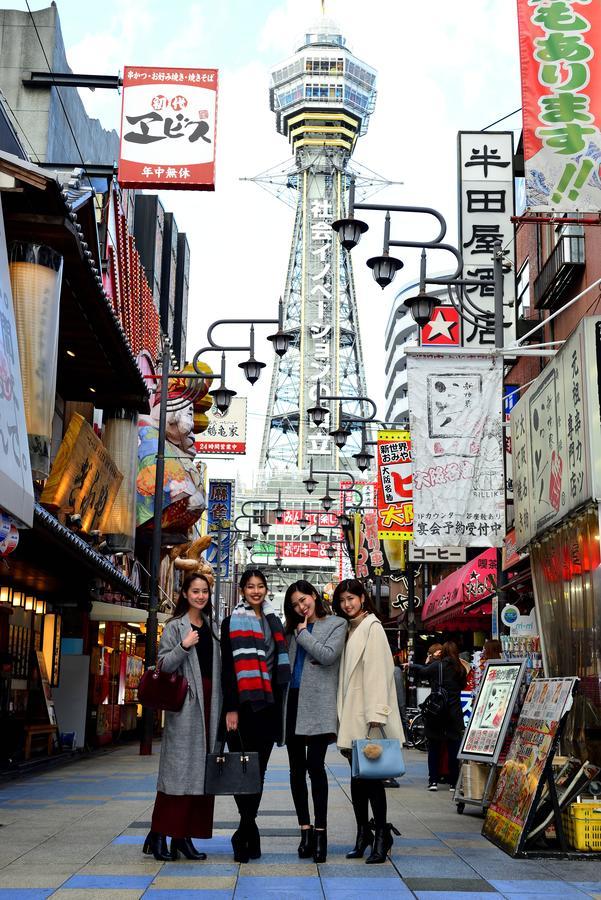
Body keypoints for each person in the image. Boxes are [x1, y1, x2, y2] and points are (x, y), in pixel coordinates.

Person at [144, 573, 221, 861]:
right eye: (195, 591)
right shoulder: (175, 626)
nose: (200, 596)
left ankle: (183, 837)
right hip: (187, 708)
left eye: (204, 591)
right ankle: (160, 834)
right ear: (185, 594)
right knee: (176, 776)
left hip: (211, 709)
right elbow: (163, 667)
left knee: (200, 778)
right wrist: (185, 644)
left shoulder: (213, 628)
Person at [221, 569, 291, 863]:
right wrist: (231, 708)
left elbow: (278, 668)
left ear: (266, 590)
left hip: (268, 707)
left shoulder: (275, 622)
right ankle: (247, 830)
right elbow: (228, 668)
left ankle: (245, 830)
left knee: (258, 772)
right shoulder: (230, 622)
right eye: (250, 586)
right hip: (242, 708)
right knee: (241, 771)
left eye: (260, 586)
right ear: (241, 590)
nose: (256, 591)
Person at [333, 579, 403, 865]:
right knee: (357, 781)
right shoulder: (350, 629)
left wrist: (376, 717)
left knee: (372, 781)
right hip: (352, 715)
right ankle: (363, 834)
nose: (347, 604)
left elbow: (379, 673)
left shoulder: (372, 628)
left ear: (362, 598)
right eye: (342, 600)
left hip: (367, 717)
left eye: (351, 598)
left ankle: (381, 836)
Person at [283, 579, 346, 863]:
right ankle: (304, 830)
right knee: (296, 770)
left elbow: (328, 655)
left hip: (319, 704)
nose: (301, 606)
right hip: (292, 702)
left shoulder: (336, 624)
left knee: (315, 767)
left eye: (303, 599)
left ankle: (321, 833)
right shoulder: (289, 631)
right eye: (295, 604)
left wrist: (303, 633)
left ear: (314, 595)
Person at [410, 640, 466, 792]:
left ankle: (433, 781)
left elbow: (422, 671)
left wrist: (427, 661)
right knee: (453, 748)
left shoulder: (437, 666)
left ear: (443, 653)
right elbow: (462, 686)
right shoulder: (460, 669)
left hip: (436, 712)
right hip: (454, 713)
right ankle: (453, 782)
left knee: (434, 747)